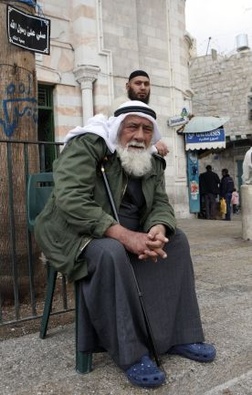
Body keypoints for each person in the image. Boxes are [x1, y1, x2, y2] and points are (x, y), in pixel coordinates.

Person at [34, 100, 216, 389]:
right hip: (75, 231)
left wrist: (157, 228)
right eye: (132, 127)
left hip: (127, 229)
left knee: (176, 241)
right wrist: (125, 236)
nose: (139, 136)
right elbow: (71, 199)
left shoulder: (152, 160)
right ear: (118, 128)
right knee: (111, 251)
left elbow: (159, 203)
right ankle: (131, 353)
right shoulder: (89, 146)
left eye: (147, 129)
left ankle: (179, 335)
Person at [112, 69, 168, 157]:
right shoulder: (121, 106)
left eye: (146, 84)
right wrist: (153, 146)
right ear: (127, 86)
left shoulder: (146, 108)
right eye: (138, 83)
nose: (143, 87)